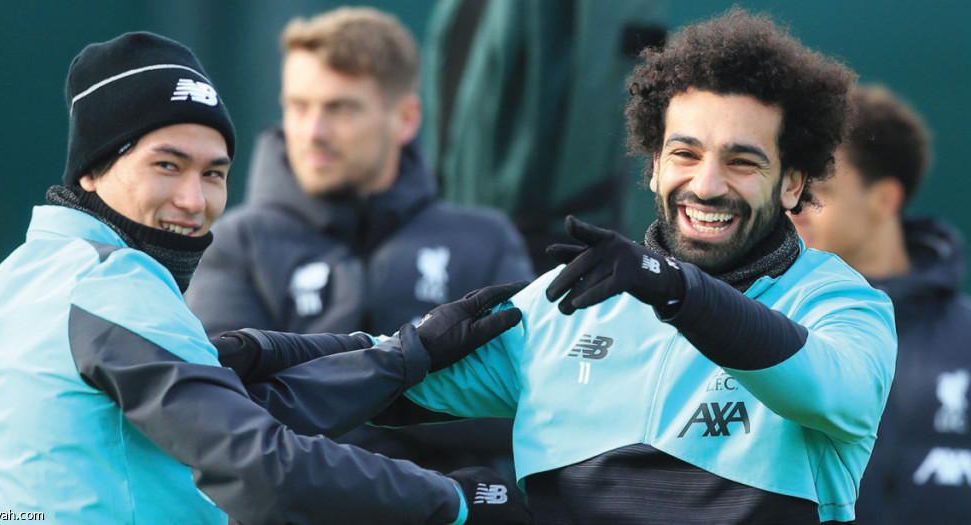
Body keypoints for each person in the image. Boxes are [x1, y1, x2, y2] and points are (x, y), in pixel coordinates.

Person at [0, 31, 534, 525]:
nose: (193, 200)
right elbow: (262, 468)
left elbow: (230, 400)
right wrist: (461, 501)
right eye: (167, 164)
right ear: (91, 169)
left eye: (214, 173)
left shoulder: (24, 274)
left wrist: (400, 355)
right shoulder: (113, 283)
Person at [374, 8, 898, 523]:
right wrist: (366, 354)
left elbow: (833, 389)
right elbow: (369, 383)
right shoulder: (567, 301)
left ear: (792, 184)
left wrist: (674, 288)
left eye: (741, 162)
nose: (706, 186)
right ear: (654, 167)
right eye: (685, 154)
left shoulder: (839, 302)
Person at [185, 7, 534, 481]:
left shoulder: (485, 238)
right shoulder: (234, 242)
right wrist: (419, 380)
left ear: (405, 118)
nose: (313, 132)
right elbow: (230, 408)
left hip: (461, 505)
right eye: (298, 106)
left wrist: (332, 396)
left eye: (340, 109)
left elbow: (517, 402)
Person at [791, 84, 971, 524]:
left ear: (885, 199)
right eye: (790, 186)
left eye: (817, 190)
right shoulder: (756, 329)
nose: (794, 206)